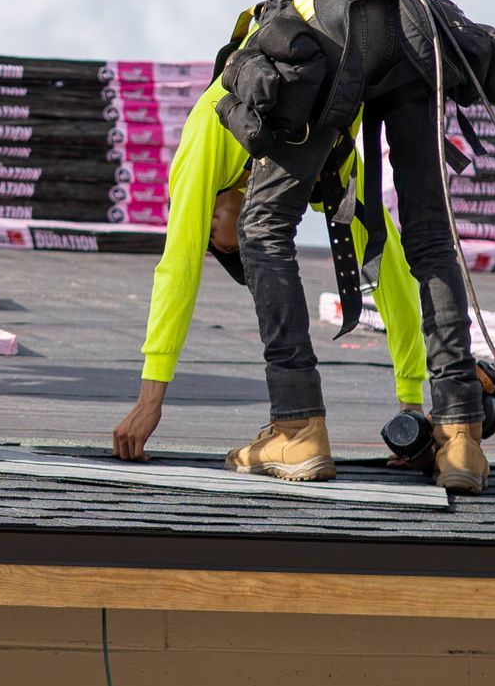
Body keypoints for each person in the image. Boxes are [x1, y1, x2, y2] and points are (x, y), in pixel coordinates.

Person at [214, 0, 495, 493]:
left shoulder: (267, 42)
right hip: (417, 31)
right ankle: (460, 436)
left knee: (263, 228)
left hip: (340, 40)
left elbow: (180, 258)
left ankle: (297, 427)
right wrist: (409, 397)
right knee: (430, 234)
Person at [112, 71, 428, 476]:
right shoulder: (320, 171)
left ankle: (297, 427)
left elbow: (178, 268)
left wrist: (149, 399)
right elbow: (387, 263)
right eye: (219, 240)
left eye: (206, 230)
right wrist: (411, 418)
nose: (210, 223)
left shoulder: (201, 149)